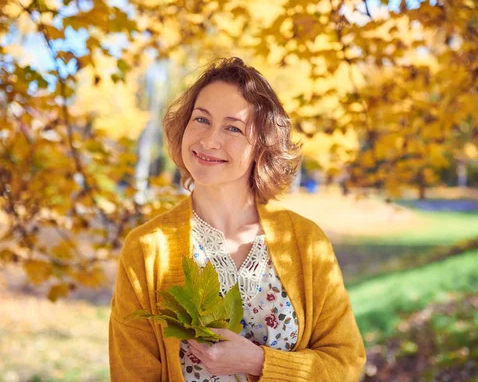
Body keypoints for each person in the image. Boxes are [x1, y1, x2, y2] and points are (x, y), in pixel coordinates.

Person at [109, 57, 366, 381]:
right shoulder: (147, 249)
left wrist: (259, 362)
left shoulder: (305, 242)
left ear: (262, 145)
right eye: (201, 120)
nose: (209, 140)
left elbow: (347, 363)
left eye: (232, 127)